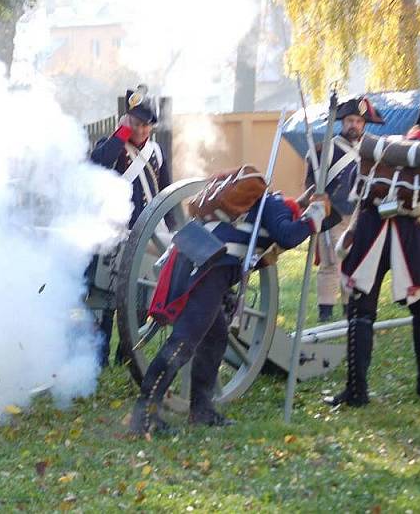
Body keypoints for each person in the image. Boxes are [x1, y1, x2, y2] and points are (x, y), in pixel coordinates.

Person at [128, 175, 331, 435]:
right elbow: (288, 235)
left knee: (215, 341)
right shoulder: (277, 205)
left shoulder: (264, 207)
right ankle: (144, 416)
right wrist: (314, 214)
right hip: (209, 268)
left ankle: (201, 411)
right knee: (182, 343)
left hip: (206, 264)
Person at [324, 105, 420, 407]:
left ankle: (356, 391)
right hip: (412, 237)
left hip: (371, 230)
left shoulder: (381, 150)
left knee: (361, 311)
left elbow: (353, 188)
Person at [90, 84, 172, 367]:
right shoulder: (110, 144)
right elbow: (95, 165)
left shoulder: (156, 153)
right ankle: (98, 358)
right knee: (104, 299)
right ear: (127, 121)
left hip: (144, 235)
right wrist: (121, 134)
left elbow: (167, 192)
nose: (142, 130)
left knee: (137, 299)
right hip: (111, 234)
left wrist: (173, 230)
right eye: (137, 124)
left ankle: (126, 355)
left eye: (146, 125)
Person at [306, 96, 385, 322]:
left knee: (354, 262)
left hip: (360, 213)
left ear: (364, 125)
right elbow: (311, 181)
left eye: (359, 122)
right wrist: (318, 203)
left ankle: (349, 307)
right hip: (333, 214)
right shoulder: (326, 149)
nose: (354, 125)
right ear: (342, 122)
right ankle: (326, 310)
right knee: (331, 262)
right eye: (350, 120)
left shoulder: (370, 150)